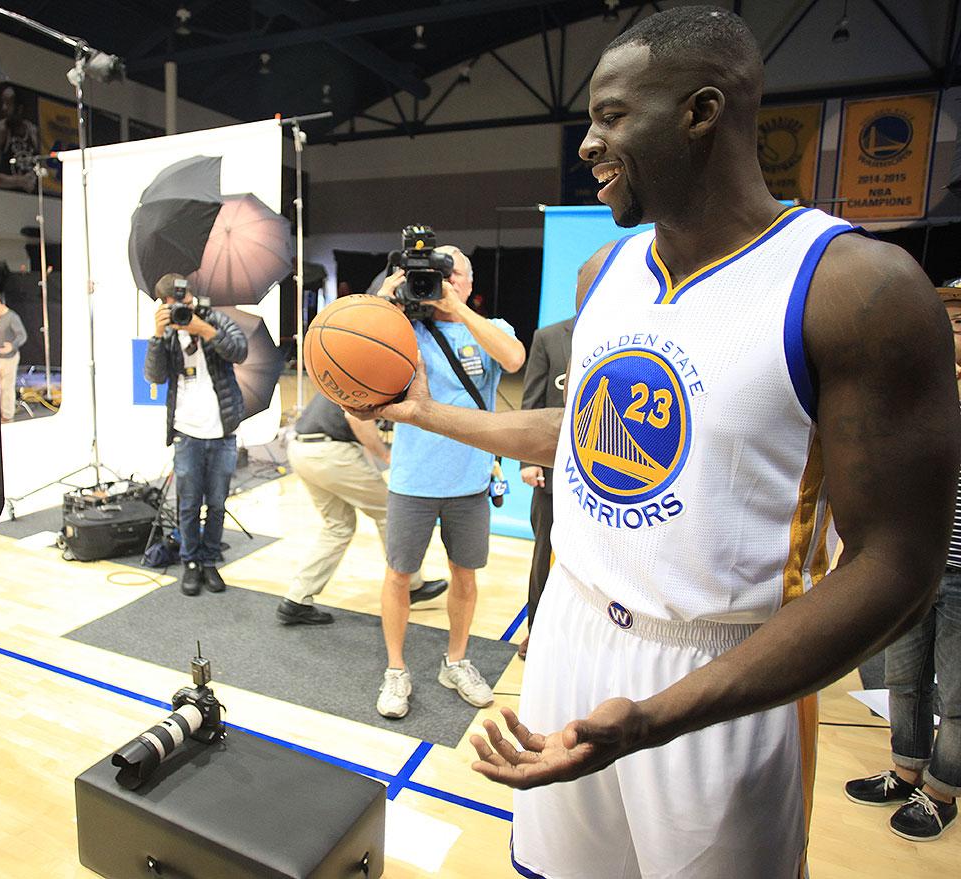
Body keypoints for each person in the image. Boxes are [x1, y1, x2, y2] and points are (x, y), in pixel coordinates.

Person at [350, 8, 957, 877]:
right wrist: (422, 412)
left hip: (724, 667)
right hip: (572, 630)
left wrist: (657, 716)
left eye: (610, 115)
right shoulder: (606, 272)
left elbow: (899, 566)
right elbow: (583, 434)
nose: (588, 143)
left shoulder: (857, 288)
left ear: (702, 112)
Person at [374, 247, 525, 720]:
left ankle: (455, 660)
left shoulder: (493, 329)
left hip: (470, 481)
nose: (441, 283)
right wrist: (384, 299)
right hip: (413, 480)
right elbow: (367, 344)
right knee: (399, 575)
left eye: (451, 275)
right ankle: (396, 669)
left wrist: (457, 308)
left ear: (467, 281)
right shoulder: (407, 329)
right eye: (434, 277)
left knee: (465, 574)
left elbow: (515, 359)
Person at [843, 284, 961, 842]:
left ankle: (942, 792)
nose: (954, 324)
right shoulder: (921, 389)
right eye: (950, 315)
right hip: (915, 562)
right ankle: (905, 770)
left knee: (957, 694)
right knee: (905, 679)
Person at [277, 392, 448, 625]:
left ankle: (296, 600)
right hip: (330, 453)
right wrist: (386, 455)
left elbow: (356, 437)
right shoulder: (372, 381)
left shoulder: (347, 373)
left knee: (338, 527)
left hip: (302, 448)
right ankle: (410, 585)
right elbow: (357, 421)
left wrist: (375, 467)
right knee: (391, 513)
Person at [144, 274, 248, 597]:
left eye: (186, 302)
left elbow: (239, 350)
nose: (183, 310)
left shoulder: (214, 319)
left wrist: (203, 329)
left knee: (217, 503)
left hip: (221, 431)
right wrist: (159, 334)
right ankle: (190, 561)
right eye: (176, 306)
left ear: (193, 297)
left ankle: (210, 560)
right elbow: (155, 375)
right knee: (188, 504)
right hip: (187, 432)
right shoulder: (169, 333)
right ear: (165, 306)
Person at [516, 317, 573, 659]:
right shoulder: (549, 337)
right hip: (551, 470)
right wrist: (527, 460)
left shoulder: (623, 328)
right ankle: (536, 630)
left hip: (607, 473)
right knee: (543, 554)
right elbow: (532, 402)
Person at [0, 291, 27, 423]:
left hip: (9, 358)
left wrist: (12, 346)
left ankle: (7, 416)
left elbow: (22, 335)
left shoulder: (12, 317)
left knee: (6, 387)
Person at [0, 86, 40, 193]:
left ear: (19, 107)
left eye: (8, 104)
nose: (4, 108)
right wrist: (19, 181)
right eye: (3, 103)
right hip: (8, 196)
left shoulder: (32, 131)